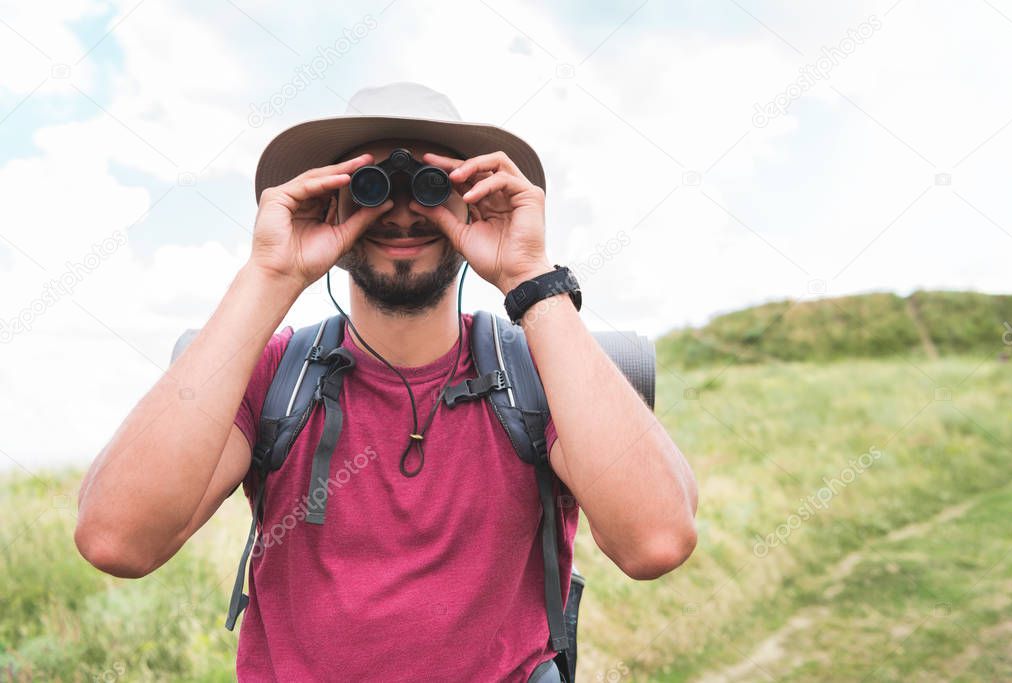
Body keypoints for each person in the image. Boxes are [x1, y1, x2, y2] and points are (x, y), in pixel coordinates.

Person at [74, 82, 699, 682]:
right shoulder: (273, 375)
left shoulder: (539, 371)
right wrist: (271, 273)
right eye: (370, 187)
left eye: (433, 187)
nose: (402, 213)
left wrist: (530, 276)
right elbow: (117, 540)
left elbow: (656, 541)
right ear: (330, 201)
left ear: (475, 197)